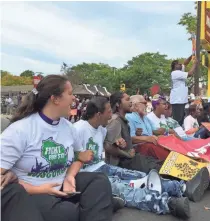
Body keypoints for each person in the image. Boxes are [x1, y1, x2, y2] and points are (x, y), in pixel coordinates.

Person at [1, 75, 116, 221]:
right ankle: (99, 206)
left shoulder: (68, 127)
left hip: (62, 186)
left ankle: (94, 206)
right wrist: (40, 189)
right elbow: (4, 184)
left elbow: (79, 157)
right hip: (32, 193)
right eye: (70, 93)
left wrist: (70, 176)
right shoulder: (20, 130)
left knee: (99, 181)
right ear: (55, 99)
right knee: (66, 212)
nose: (74, 98)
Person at [73, 96, 192, 219]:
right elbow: (68, 157)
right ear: (98, 114)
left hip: (103, 166)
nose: (110, 116)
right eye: (108, 112)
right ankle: (167, 203)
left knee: (140, 177)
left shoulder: (102, 130)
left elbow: (106, 146)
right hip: (87, 175)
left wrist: (118, 142)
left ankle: (179, 187)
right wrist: (79, 157)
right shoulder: (78, 128)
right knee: (124, 187)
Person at [104, 92, 210, 203]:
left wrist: (137, 137)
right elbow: (108, 146)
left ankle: (195, 177)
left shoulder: (124, 119)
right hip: (124, 162)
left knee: (161, 164)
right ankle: (187, 185)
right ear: (118, 104)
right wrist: (127, 152)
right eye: (127, 100)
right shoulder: (116, 121)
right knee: (158, 168)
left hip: (131, 156)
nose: (130, 102)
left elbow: (121, 142)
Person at [126, 95, 170, 161]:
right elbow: (130, 139)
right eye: (144, 103)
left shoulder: (145, 117)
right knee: (157, 151)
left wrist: (166, 133)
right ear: (136, 105)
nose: (146, 105)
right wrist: (148, 138)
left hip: (150, 145)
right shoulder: (128, 117)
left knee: (167, 145)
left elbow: (155, 131)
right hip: (139, 149)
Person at [170, 56, 198, 125]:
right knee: (177, 121)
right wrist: (195, 64)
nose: (180, 64)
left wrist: (192, 55)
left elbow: (185, 63)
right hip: (177, 101)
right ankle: (176, 134)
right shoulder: (175, 73)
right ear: (174, 66)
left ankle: (179, 134)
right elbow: (190, 73)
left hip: (181, 100)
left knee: (181, 120)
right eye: (178, 64)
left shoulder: (179, 71)